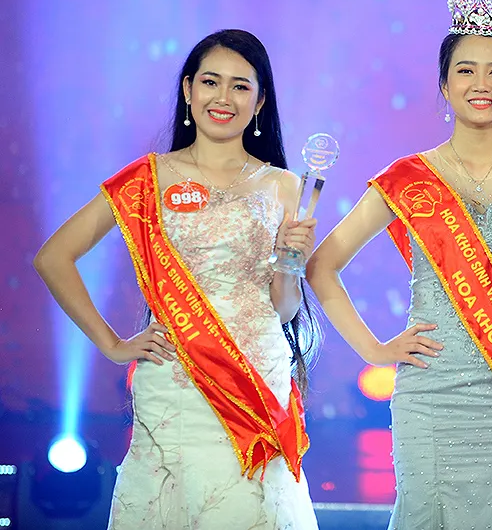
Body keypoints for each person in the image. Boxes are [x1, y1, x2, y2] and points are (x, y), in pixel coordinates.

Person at [307, 0, 492, 529]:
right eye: (466, 70)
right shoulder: (410, 177)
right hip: (431, 396)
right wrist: (375, 350)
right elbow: (321, 267)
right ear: (443, 83)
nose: (481, 84)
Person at [33, 29, 321, 529]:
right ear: (188, 90)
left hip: (256, 378)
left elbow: (282, 308)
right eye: (210, 82)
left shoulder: (284, 184)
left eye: (240, 86)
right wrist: (113, 344)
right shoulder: (148, 178)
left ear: (260, 102)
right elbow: (53, 257)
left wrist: (290, 263)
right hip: (175, 381)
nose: (223, 97)